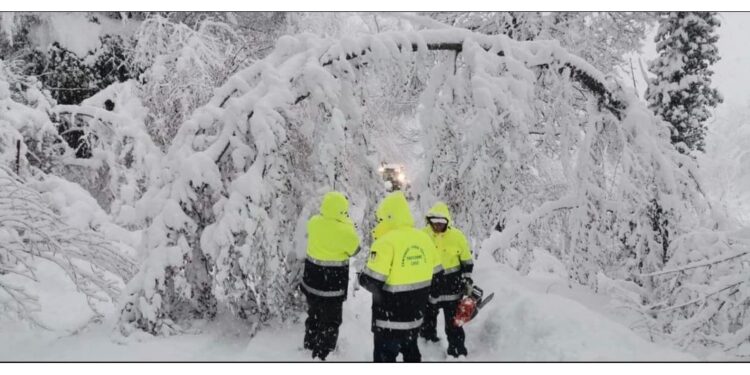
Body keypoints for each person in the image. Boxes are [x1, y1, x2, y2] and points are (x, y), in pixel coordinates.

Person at [358, 191, 442, 362]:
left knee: (385, 358)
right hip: (415, 320)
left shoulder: (385, 243)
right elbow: (438, 276)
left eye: (380, 219)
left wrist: (361, 277)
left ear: (387, 217)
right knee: (412, 354)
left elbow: (372, 282)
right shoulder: (425, 239)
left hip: (388, 322)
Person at [301, 191, 361, 360]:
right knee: (331, 321)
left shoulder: (314, 222)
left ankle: (309, 343)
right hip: (332, 287)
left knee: (313, 314)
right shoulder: (345, 231)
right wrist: (347, 223)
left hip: (311, 283)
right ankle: (323, 352)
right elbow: (355, 249)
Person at [419, 202, 474, 358]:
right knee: (427, 323)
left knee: (454, 325)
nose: (437, 225)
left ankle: (457, 353)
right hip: (431, 291)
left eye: (441, 222)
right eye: (434, 222)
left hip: (453, 291)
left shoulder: (457, 236)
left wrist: (466, 280)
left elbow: (467, 261)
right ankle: (429, 349)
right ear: (429, 221)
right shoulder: (422, 236)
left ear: (447, 222)